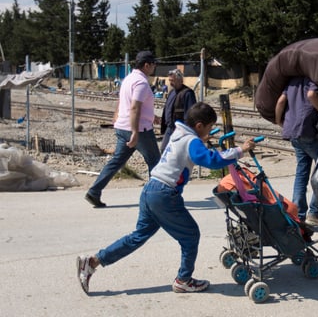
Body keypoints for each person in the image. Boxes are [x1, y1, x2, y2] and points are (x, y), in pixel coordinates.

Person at [76, 102, 256, 294]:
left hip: (150, 189)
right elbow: (211, 160)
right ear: (199, 126)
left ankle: (93, 261)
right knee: (190, 235)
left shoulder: (178, 134)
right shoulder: (191, 141)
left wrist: (205, 141)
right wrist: (240, 150)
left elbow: (197, 152)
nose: (211, 131)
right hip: (165, 194)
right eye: (210, 127)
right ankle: (184, 279)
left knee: (137, 236)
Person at [84, 51, 162, 208]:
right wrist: (134, 132)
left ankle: (94, 191)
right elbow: (134, 107)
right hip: (139, 130)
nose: (154, 67)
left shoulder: (128, 79)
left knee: (116, 161)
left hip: (123, 126)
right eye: (153, 64)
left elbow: (124, 102)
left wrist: (150, 116)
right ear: (146, 65)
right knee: (155, 162)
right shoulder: (141, 82)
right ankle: (156, 198)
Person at [275, 76, 318, 230]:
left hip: (294, 133)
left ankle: (298, 215)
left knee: (302, 172)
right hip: (309, 131)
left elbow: (281, 101)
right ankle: (315, 213)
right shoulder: (312, 79)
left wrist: (280, 121)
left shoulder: (292, 81)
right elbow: (311, 95)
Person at [160, 69, 197, 152]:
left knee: (177, 152)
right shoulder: (172, 92)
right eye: (169, 80)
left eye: (172, 80)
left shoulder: (187, 93)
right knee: (164, 150)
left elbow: (191, 114)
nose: (170, 83)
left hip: (180, 130)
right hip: (170, 128)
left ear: (180, 80)